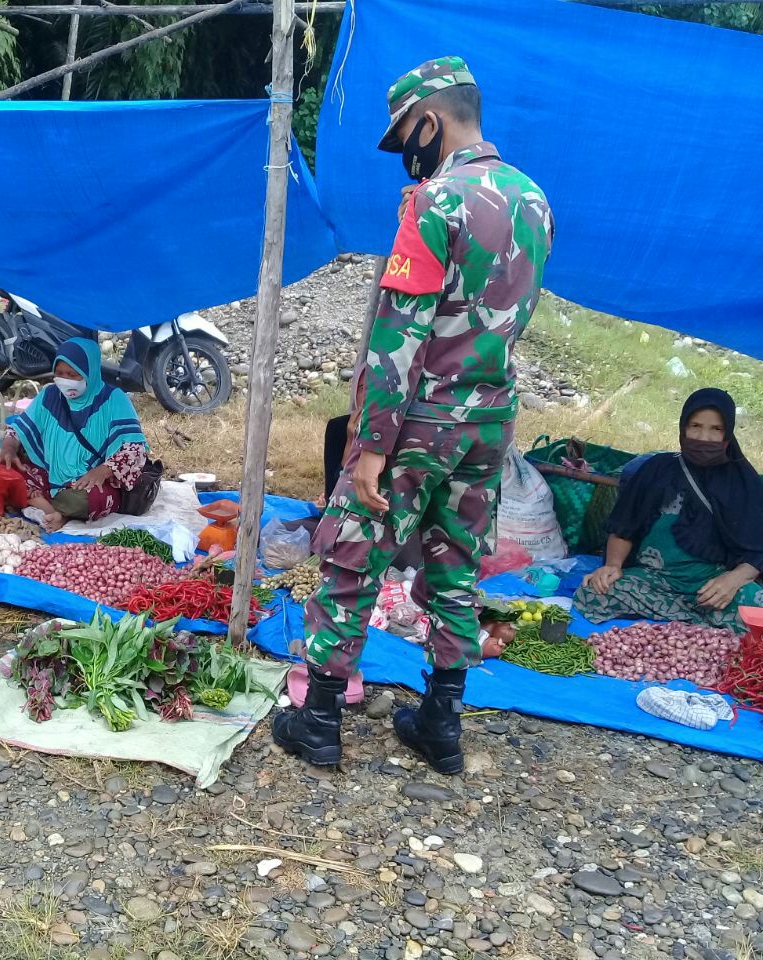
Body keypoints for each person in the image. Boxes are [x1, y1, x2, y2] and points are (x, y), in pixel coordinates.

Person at [272, 56, 554, 775]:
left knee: (351, 555)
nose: (408, 155)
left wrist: (370, 446)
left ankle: (319, 721)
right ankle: (441, 725)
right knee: (456, 566)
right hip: (490, 423)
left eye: (406, 139)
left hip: (422, 424)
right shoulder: (534, 201)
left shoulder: (437, 204)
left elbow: (399, 336)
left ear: (429, 122)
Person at [575, 388, 763, 630]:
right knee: (593, 593)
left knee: (757, 607)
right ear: (683, 427)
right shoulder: (657, 469)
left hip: (711, 586)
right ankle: (698, 627)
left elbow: (758, 550)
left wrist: (733, 579)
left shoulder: (743, 483)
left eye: (716, 429)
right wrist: (612, 565)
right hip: (653, 580)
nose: (704, 437)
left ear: (728, 434)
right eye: (695, 426)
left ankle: (683, 623)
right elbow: (624, 527)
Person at [0, 339, 148, 532]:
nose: (64, 379)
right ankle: (55, 511)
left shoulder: (114, 399)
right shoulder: (50, 395)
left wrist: (102, 470)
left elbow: (135, 450)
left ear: (89, 372)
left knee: (88, 499)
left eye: (72, 374)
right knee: (5, 470)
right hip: (49, 474)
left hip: (91, 482)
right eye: (59, 374)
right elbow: (18, 429)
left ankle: (48, 508)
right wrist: (8, 448)